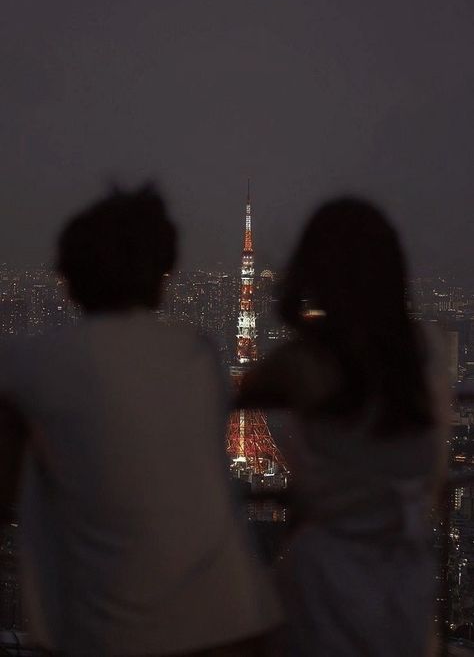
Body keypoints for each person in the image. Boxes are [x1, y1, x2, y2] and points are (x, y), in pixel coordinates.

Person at [0, 186, 280, 657]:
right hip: (225, 618)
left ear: (68, 277)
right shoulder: (199, 355)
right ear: (162, 278)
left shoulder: (38, 360)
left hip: (106, 630)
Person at [238, 197, 449, 657]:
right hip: (406, 581)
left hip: (325, 579)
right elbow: (432, 472)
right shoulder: (427, 350)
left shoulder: (306, 359)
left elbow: (237, 390)